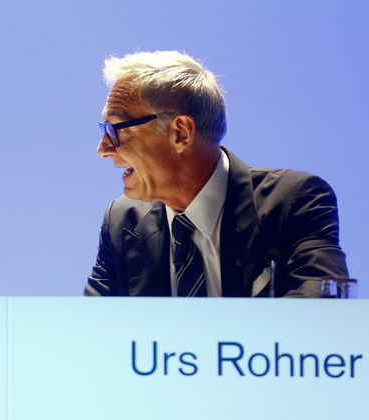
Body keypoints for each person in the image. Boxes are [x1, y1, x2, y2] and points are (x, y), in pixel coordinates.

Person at [84, 51, 348, 297]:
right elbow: (89, 331)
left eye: (116, 129)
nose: (103, 149)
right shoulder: (122, 221)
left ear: (181, 133)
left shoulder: (295, 202)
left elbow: (319, 317)